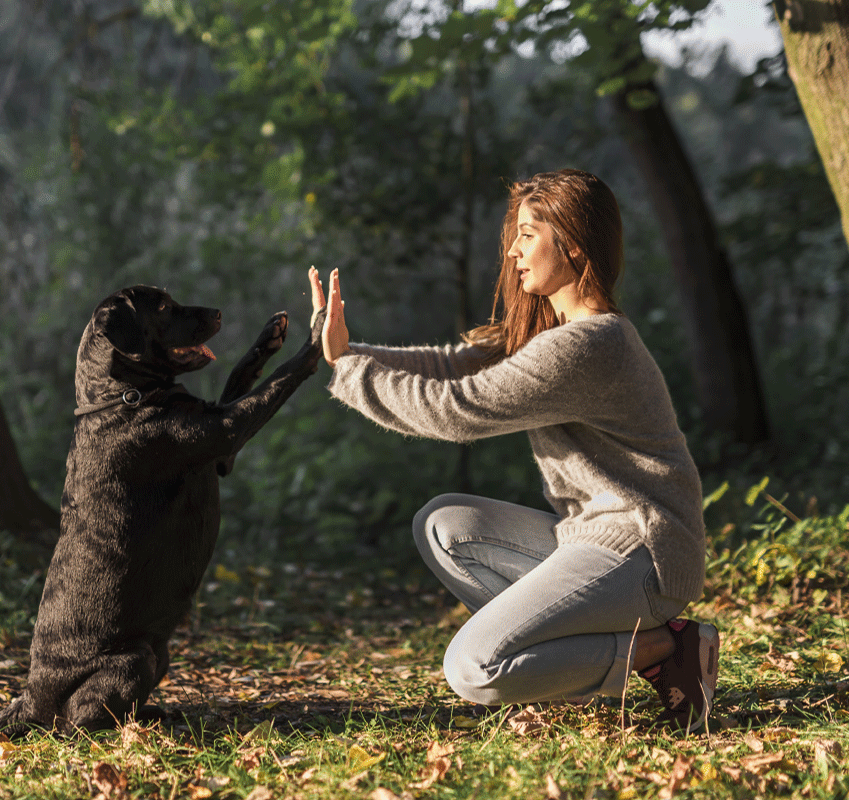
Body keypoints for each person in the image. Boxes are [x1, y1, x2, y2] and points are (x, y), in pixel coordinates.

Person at [306, 168, 719, 731]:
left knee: (474, 667)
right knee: (444, 525)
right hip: (595, 539)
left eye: (528, 234)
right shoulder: (559, 333)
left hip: (645, 553)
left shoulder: (589, 345)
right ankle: (566, 663)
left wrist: (350, 370)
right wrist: (348, 352)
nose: (512, 252)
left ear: (572, 243)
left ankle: (661, 650)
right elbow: (453, 365)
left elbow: (455, 409)